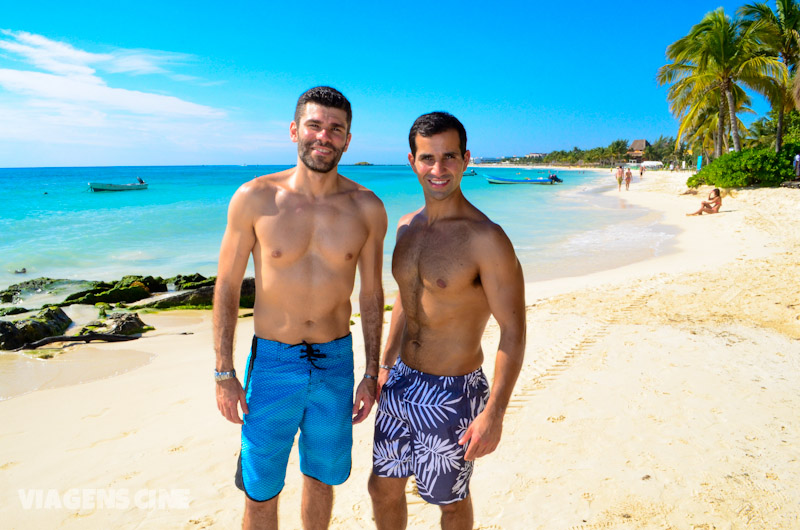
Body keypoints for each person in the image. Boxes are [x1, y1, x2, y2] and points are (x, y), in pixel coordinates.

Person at [213, 86, 388, 529]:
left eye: (335, 129)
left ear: (348, 139)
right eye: (314, 125)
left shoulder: (366, 207)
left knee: (321, 478)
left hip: (335, 361)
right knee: (259, 488)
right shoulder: (255, 198)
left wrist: (371, 372)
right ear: (295, 130)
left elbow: (371, 295)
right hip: (273, 361)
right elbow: (228, 286)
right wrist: (223, 372)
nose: (323, 136)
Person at [368, 112, 526, 529]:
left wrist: (494, 414)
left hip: (453, 391)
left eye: (449, 157)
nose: (438, 170)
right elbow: (407, 297)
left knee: (448, 500)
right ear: (412, 160)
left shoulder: (486, 238)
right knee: (381, 487)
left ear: (466, 159)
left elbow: (513, 331)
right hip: (401, 381)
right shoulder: (406, 227)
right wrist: (385, 364)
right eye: (427, 158)